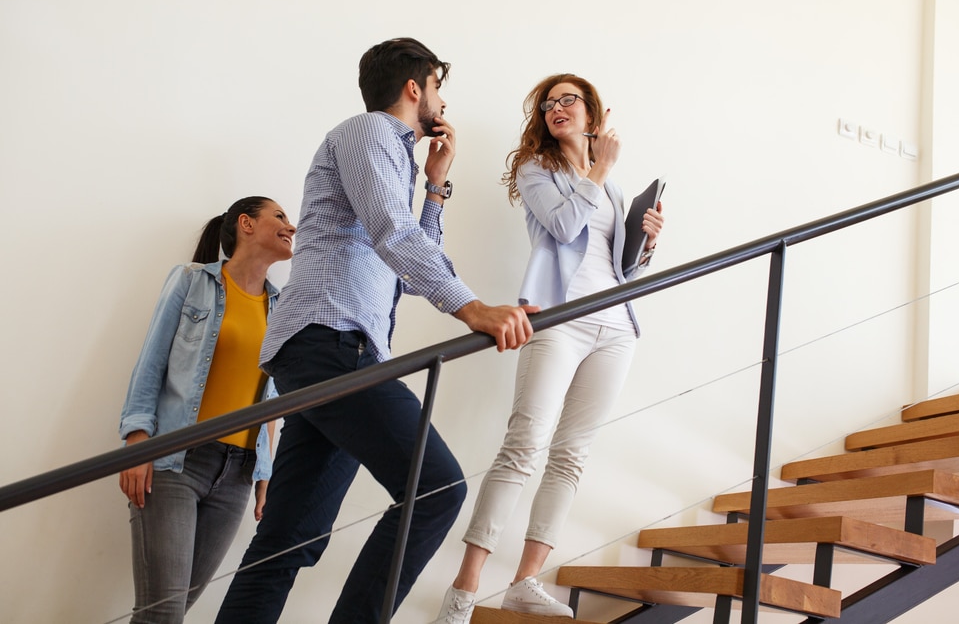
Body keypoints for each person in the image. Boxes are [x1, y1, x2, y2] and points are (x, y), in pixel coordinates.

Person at [214, 37, 538, 624]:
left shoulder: (395, 157)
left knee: (289, 541)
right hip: (330, 343)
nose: (441, 99)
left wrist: (436, 184)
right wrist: (471, 308)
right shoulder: (368, 132)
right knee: (438, 488)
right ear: (416, 87)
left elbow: (409, 261)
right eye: (438, 86)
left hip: (329, 350)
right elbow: (394, 232)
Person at [438, 74, 664, 622]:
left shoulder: (611, 189)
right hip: (560, 318)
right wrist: (600, 167)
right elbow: (564, 230)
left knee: (572, 454)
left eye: (569, 100)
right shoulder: (536, 170)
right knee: (524, 445)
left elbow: (618, 264)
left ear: (594, 112)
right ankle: (463, 591)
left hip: (615, 327)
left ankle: (525, 579)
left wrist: (647, 241)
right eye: (549, 103)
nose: (557, 108)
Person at [118, 196, 297, 623]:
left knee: (176, 609)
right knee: (162, 615)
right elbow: (151, 362)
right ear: (246, 224)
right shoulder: (191, 282)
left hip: (237, 474)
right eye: (281, 216)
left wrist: (265, 473)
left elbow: (270, 399)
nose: (292, 226)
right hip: (176, 463)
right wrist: (137, 444)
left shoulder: (283, 308)